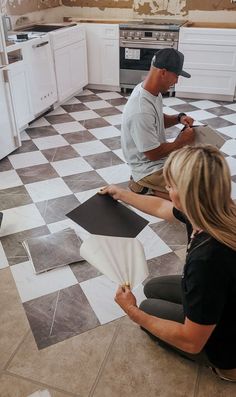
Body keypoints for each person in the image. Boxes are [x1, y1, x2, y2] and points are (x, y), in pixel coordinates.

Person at [99, 145, 236, 382]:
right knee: (153, 288)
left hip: (226, 349)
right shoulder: (216, 210)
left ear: (187, 195)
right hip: (226, 302)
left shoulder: (207, 261)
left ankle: (227, 370)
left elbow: (191, 342)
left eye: (170, 186)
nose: (166, 189)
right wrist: (122, 194)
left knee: (146, 310)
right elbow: (163, 207)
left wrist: (132, 312)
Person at [121, 47, 195, 199]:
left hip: (160, 159)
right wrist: (180, 142)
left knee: (199, 172)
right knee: (195, 198)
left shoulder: (151, 92)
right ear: (163, 72)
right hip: (148, 168)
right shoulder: (140, 109)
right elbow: (152, 154)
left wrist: (178, 118)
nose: (177, 81)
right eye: (176, 76)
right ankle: (142, 186)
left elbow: (156, 118)